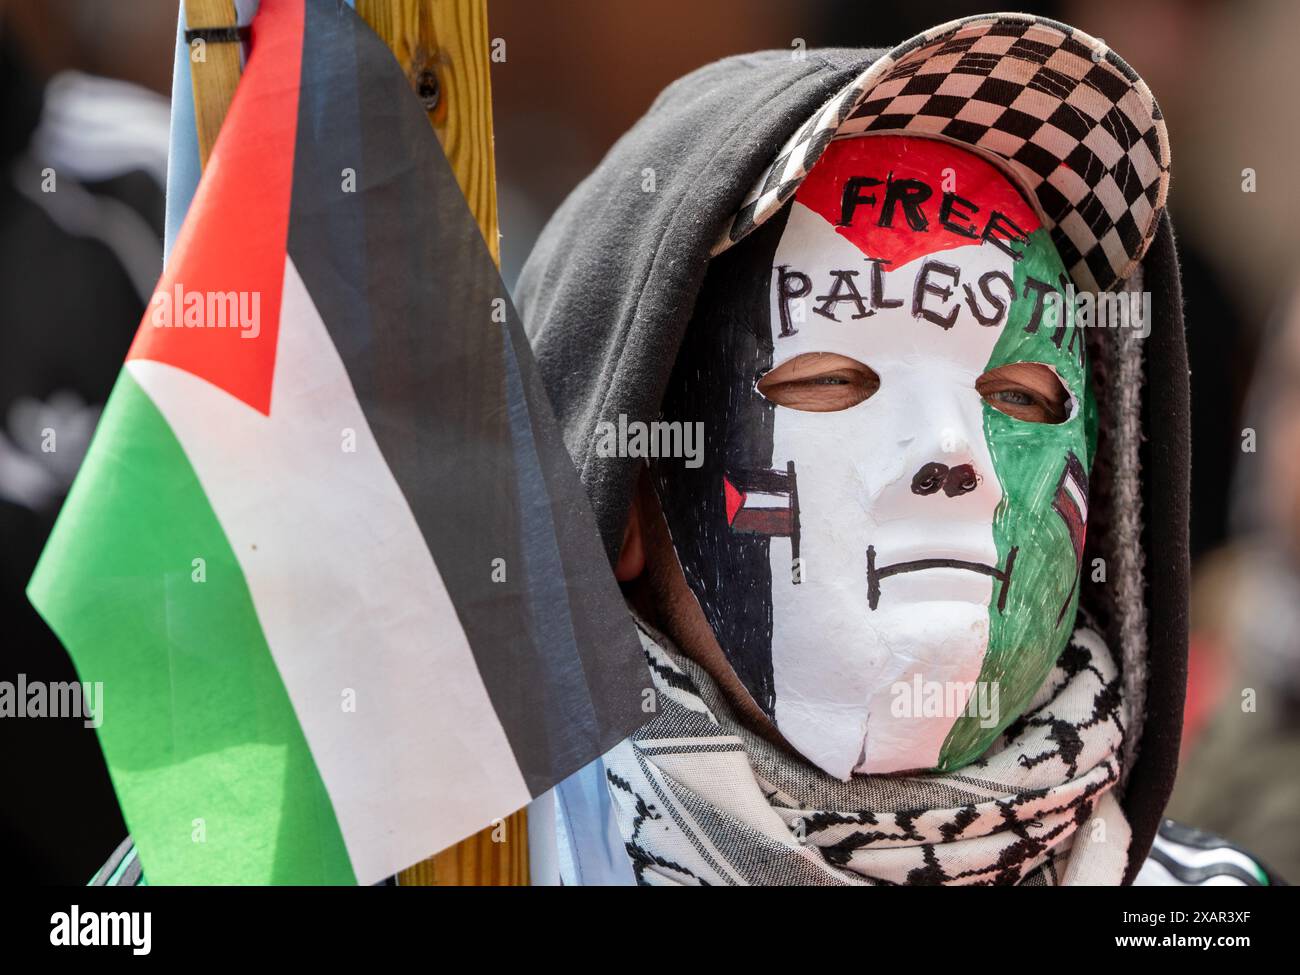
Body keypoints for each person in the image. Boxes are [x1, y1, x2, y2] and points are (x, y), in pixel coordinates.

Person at [517, 12, 1282, 885]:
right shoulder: (485, 864)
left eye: (1018, 396)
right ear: (619, 503)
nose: (953, 454)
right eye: (831, 381)